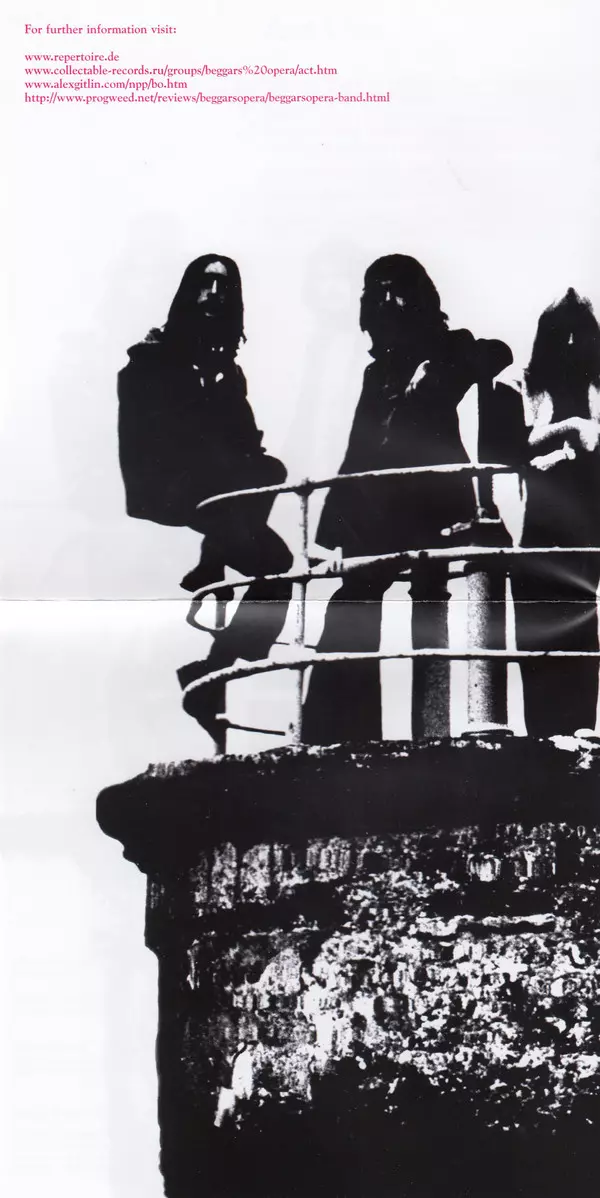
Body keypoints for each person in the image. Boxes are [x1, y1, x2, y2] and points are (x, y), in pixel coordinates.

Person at [301, 254, 513, 744]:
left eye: (396, 289)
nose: (387, 301)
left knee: (429, 598)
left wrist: (438, 372)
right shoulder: (376, 372)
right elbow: (357, 450)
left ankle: (431, 732)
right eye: (377, 292)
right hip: (375, 507)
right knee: (353, 600)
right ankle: (342, 732)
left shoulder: (449, 345)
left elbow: (496, 352)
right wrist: (334, 528)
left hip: (432, 500)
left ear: (419, 297)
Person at [117, 254, 293, 734]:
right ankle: (211, 561)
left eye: (224, 286)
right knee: (259, 474)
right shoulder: (153, 358)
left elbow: (247, 440)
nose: (214, 294)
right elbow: (163, 434)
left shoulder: (226, 370)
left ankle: (212, 670)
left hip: (218, 490)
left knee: (278, 567)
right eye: (205, 283)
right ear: (187, 293)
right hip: (169, 483)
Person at [512, 288, 600, 737]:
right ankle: (542, 737)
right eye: (559, 333)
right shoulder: (526, 385)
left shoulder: (596, 389)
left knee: (582, 624)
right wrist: (573, 429)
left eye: (577, 334)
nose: (568, 344)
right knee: (537, 625)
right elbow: (514, 444)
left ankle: (581, 732)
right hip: (538, 526)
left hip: (585, 529)